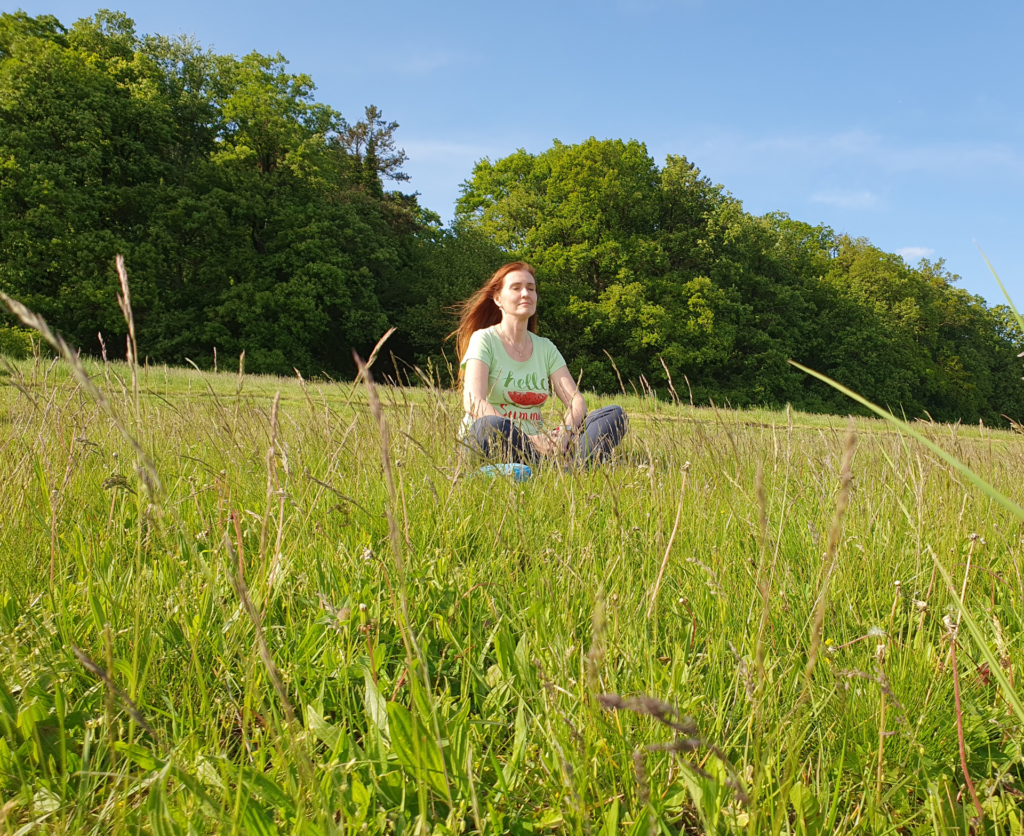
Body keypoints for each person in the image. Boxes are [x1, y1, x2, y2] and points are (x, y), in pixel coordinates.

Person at [452, 261, 627, 465]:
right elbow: (473, 402)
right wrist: (530, 439)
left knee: (614, 415)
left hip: (543, 443)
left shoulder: (545, 348)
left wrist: (564, 433)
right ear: (498, 299)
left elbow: (576, 401)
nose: (526, 293)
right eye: (516, 288)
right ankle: (562, 466)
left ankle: (566, 466)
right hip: (505, 438)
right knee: (490, 425)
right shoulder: (484, 339)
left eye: (531, 288)